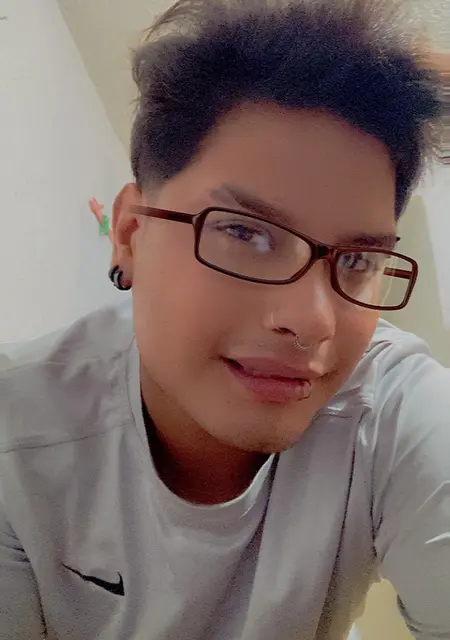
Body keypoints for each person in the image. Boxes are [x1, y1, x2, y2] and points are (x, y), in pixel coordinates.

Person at [1, 0, 448, 638]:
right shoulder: (18, 437)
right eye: (244, 232)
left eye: (357, 260)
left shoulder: (396, 411)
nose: (312, 320)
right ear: (130, 234)